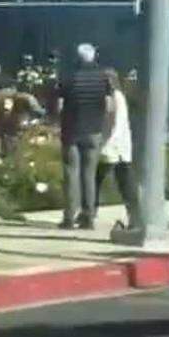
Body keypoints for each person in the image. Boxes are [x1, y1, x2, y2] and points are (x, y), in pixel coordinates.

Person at [57, 44, 112, 230]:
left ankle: (69, 218)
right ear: (93, 57)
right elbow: (109, 105)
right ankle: (88, 217)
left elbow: (59, 105)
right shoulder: (102, 77)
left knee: (71, 173)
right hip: (94, 130)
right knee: (89, 174)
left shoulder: (69, 77)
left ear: (78, 57)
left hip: (72, 131)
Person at [96, 69, 136, 230]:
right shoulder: (117, 96)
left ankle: (89, 211)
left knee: (95, 179)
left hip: (112, 147)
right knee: (125, 182)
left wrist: (105, 143)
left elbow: (114, 124)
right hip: (119, 148)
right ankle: (135, 214)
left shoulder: (114, 98)